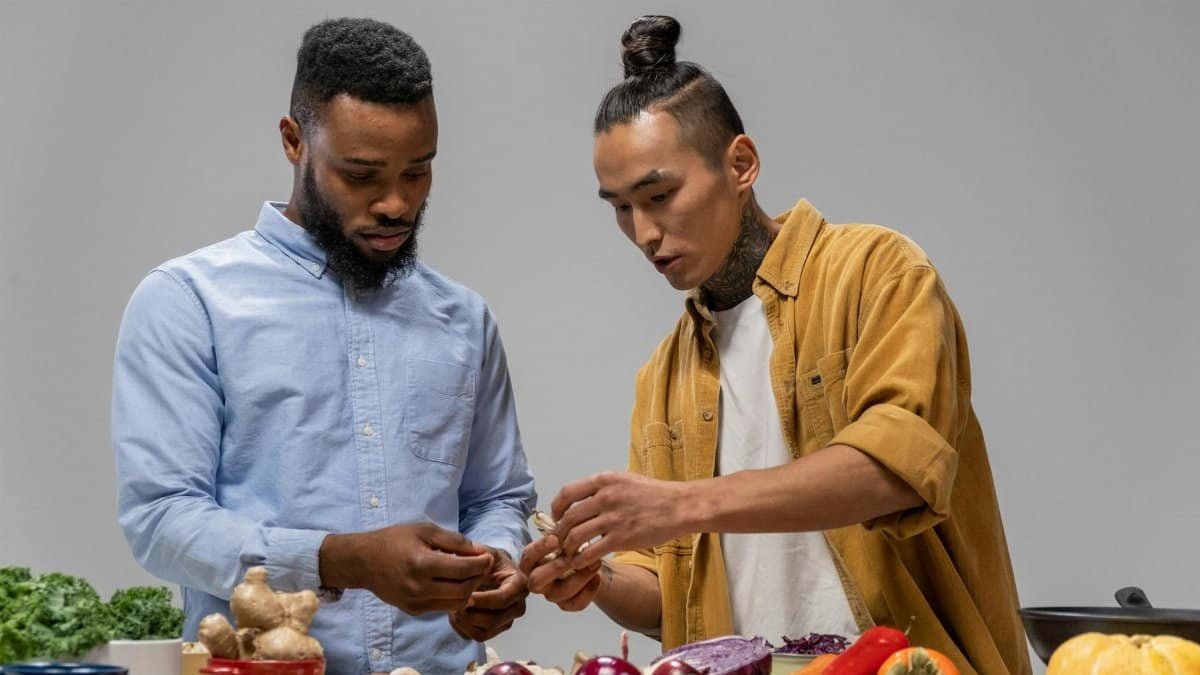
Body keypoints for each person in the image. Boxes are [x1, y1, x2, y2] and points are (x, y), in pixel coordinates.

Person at [521, 15, 1030, 675]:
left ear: (740, 163)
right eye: (620, 207)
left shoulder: (877, 271)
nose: (643, 231)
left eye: (660, 194)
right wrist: (597, 577)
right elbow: (669, 595)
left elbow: (898, 466)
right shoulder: (664, 375)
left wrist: (681, 505)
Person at [112, 18, 535, 675]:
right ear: (293, 141)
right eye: (361, 174)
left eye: (417, 172)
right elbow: (162, 520)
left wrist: (496, 564)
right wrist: (338, 558)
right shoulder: (189, 301)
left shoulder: (463, 319)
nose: (396, 202)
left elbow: (498, 497)